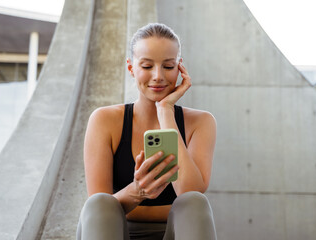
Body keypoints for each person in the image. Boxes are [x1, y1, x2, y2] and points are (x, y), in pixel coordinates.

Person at [77, 23, 217, 240]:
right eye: (147, 66)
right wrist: (137, 191)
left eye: (168, 67)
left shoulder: (201, 123)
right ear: (131, 68)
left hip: (175, 233)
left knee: (194, 203)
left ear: (180, 68)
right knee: (99, 204)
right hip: (114, 232)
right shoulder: (104, 120)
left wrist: (166, 113)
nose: (158, 76)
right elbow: (99, 209)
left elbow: (190, 192)